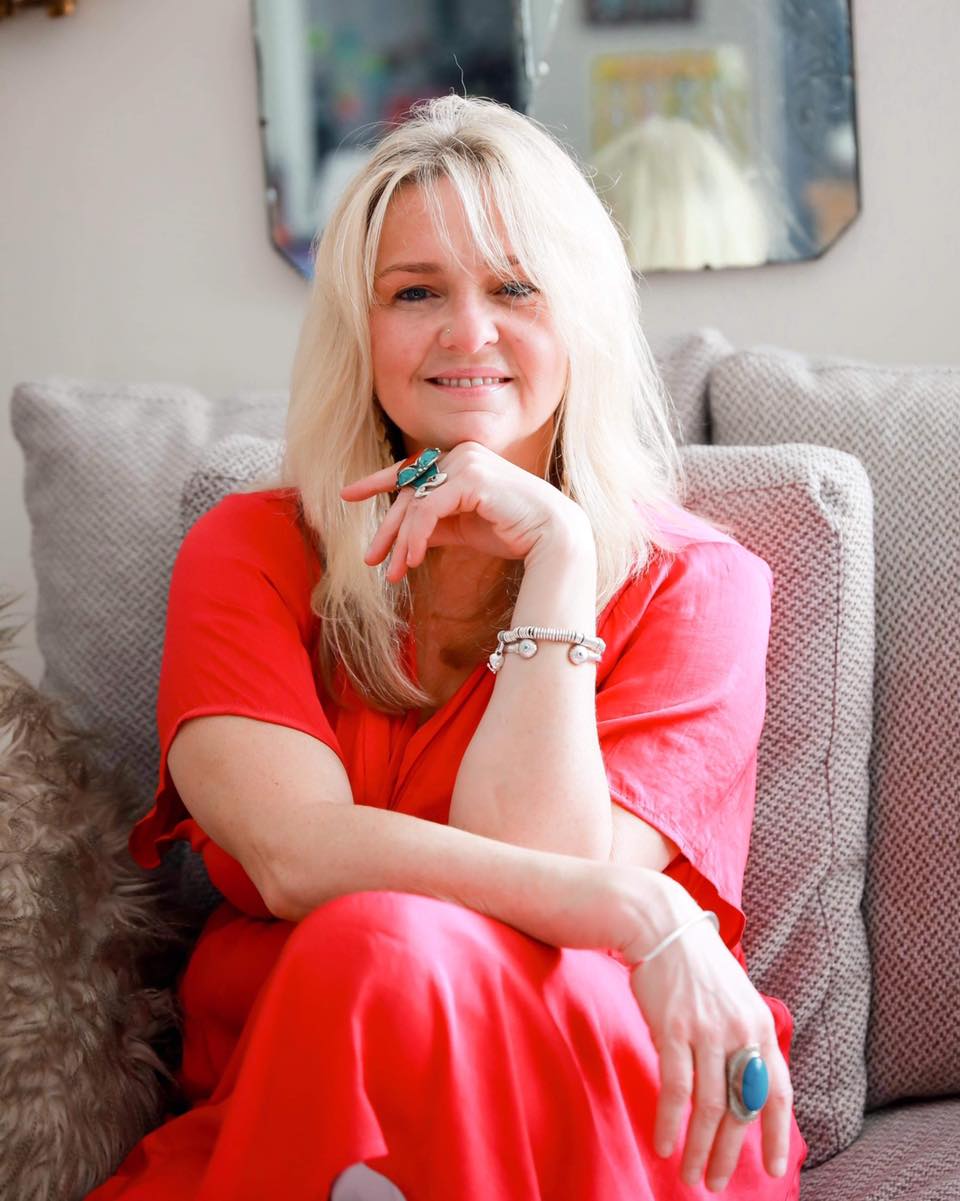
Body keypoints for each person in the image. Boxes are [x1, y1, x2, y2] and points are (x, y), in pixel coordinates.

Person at [87, 95, 808, 1200]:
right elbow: (293, 856)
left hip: (587, 1098)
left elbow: (544, 899)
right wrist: (640, 909)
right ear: (359, 331)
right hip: (302, 1096)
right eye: (416, 292)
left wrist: (563, 557)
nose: (467, 332)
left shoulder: (697, 585)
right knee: (369, 945)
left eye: (515, 289)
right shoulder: (252, 550)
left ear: (581, 321)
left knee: (379, 938)